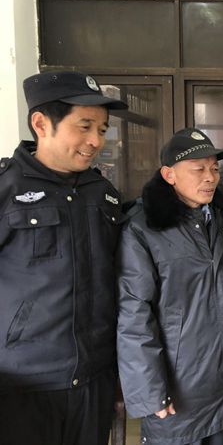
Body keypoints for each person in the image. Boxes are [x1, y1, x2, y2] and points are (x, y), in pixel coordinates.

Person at [0, 71, 128, 444]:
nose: (96, 141)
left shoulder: (103, 193)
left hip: (93, 379)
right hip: (23, 384)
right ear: (41, 124)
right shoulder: (8, 190)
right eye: (84, 126)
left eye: (102, 129)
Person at [116, 128, 223, 445]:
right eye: (198, 169)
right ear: (169, 175)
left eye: (214, 168)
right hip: (175, 386)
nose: (210, 178)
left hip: (221, 377)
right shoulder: (143, 228)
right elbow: (134, 315)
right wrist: (150, 390)